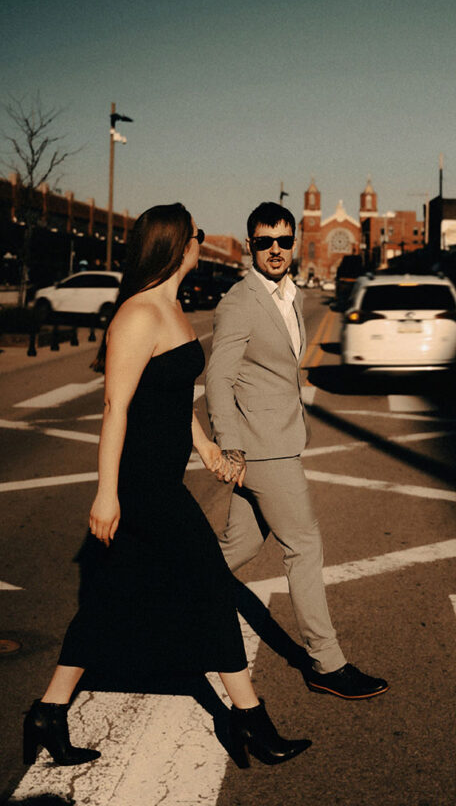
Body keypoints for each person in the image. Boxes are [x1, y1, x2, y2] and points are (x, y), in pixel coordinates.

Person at [23, 203, 310, 769]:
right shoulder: (138, 315)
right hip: (143, 486)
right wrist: (108, 493)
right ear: (178, 244)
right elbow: (115, 408)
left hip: (162, 476)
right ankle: (250, 719)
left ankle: (48, 711)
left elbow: (172, 399)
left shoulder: (171, 307)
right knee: (209, 584)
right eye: (197, 235)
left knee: (106, 600)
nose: (203, 242)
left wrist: (205, 447)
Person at [206, 201, 388, 700]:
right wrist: (232, 448)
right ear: (250, 247)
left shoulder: (288, 295)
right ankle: (326, 663)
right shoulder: (241, 301)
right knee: (303, 547)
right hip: (264, 451)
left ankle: (155, 607)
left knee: (234, 549)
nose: (275, 250)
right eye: (264, 242)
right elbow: (218, 379)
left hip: (279, 438)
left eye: (283, 240)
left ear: (295, 241)